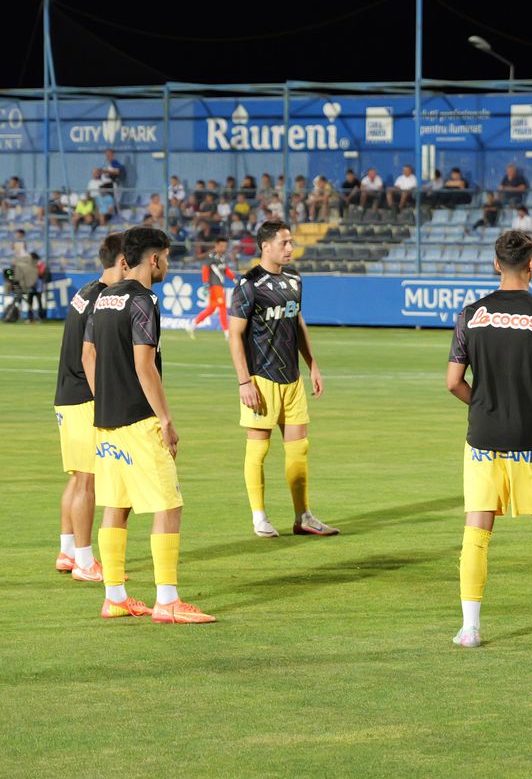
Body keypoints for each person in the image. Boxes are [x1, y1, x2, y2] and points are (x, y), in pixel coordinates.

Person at [446, 229, 532, 648]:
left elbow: (453, 382)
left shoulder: (470, 315)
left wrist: (482, 404)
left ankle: (470, 629)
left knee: (477, 530)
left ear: (496, 264)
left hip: (483, 437)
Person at [83, 226, 214, 624]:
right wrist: (166, 419)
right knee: (168, 504)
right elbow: (144, 365)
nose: (167, 265)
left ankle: (115, 597)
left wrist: (107, 398)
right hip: (140, 421)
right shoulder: (143, 300)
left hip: (106, 421)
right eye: (167, 258)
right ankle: (167, 600)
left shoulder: (103, 298)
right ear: (154, 258)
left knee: (117, 505)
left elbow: (88, 356)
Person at [229, 221, 338, 539]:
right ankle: (259, 517)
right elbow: (235, 335)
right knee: (258, 449)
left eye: (291, 242)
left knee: (299, 448)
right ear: (266, 246)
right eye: (284, 243)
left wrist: (312, 365)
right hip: (261, 379)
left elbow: (297, 322)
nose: (290, 248)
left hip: (292, 379)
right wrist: (244, 382)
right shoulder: (249, 284)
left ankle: (303, 516)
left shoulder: (294, 279)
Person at [53, 234, 126, 581]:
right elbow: (90, 354)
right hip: (85, 397)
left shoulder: (86, 291)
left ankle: (68, 551)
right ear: (124, 261)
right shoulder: (104, 299)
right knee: (87, 481)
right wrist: (104, 400)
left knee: (77, 478)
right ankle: (85, 561)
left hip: (67, 394)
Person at [186, 237, 236, 340]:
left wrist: (234, 279)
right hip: (214, 286)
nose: (223, 248)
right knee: (222, 306)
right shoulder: (211, 257)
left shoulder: (222, 258)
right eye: (221, 246)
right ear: (216, 245)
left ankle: (192, 324)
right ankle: (226, 332)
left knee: (211, 309)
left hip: (220, 286)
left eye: (225, 246)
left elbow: (226, 270)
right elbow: (205, 270)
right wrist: (205, 284)